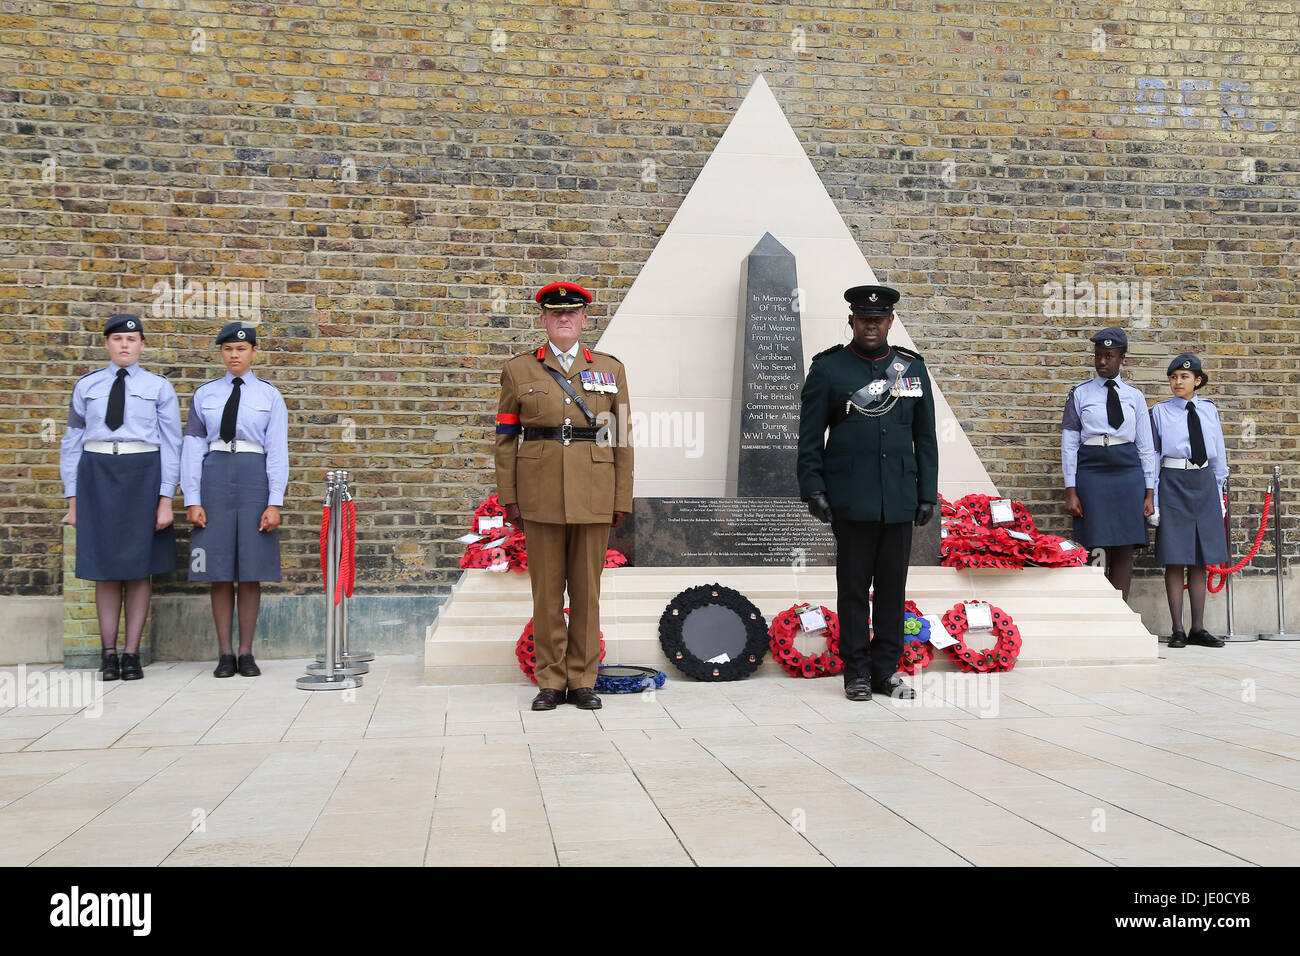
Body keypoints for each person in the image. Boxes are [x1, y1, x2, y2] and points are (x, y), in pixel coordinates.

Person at [494, 282, 633, 711]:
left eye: (572, 314)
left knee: (587, 593)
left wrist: (620, 498)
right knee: (547, 593)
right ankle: (551, 680)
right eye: (556, 315)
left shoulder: (610, 370)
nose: (564, 320)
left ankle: (583, 679)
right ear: (544, 321)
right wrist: (509, 497)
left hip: (593, 490)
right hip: (541, 495)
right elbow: (504, 440)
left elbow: (621, 437)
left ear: (584, 321)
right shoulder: (518, 371)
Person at [797, 285, 938, 702]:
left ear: (890, 321)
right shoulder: (829, 369)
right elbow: (809, 437)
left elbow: (924, 437)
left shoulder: (911, 368)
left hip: (898, 497)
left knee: (893, 590)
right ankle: (856, 672)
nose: (871, 325)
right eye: (863, 319)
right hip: (851, 497)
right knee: (854, 589)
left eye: (878, 320)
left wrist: (926, 493)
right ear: (852, 321)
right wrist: (813, 488)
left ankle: (886, 672)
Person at [59, 314, 180, 682]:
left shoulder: (159, 387)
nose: (124, 345)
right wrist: (73, 498)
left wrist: (165, 498)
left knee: (138, 567)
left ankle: (132, 654)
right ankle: (108, 652)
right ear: (107, 344)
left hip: (142, 473)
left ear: (142, 344)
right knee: (104, 568)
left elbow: (172, 445)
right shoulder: (87, 386)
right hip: (97, 474)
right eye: (117, 339)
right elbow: (72, 442)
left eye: (132, 339)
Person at [181, 322, 289, 678]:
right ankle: (224, 652)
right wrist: (192, 498)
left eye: (241, 349)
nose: (234, 355)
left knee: (252, 569)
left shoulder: (269, 396)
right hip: (215, 477)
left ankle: (246, 651)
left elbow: (277, 451)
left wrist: (275, 502)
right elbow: (192, 448)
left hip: (253, 475)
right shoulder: (205, 394)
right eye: (227, 349)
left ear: (254, 352)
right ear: (221, 353)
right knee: (219, 570)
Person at [1060, 327, 1156, 601]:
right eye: (1098, 356)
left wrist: (1149, 492)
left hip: (1127, 472)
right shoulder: (1080, 394)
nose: (1102, 362)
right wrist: (1071, 489)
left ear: (1121, 358)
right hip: (1092, 471)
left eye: (1109, 356)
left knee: (1125, 546)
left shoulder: (1135, 397)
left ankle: (1121, 612)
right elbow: (1069, 444)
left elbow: (1146, 448)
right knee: (1095, 543)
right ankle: (1096, 610)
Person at [1150, 353, 1228, 648]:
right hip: (1173, 481)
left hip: (1203, 481)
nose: (1177, 382)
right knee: (1175, 556)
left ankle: (1198, 628)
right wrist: (1154, 499)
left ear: (1197, 381)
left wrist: (1219, 493)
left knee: (1200, 558)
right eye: (1173, 377)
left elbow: (1218, 453)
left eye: (1184, 377)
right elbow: (1153, 456)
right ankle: (1178, 629)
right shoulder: (1160, 412)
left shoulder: (1209, 410)